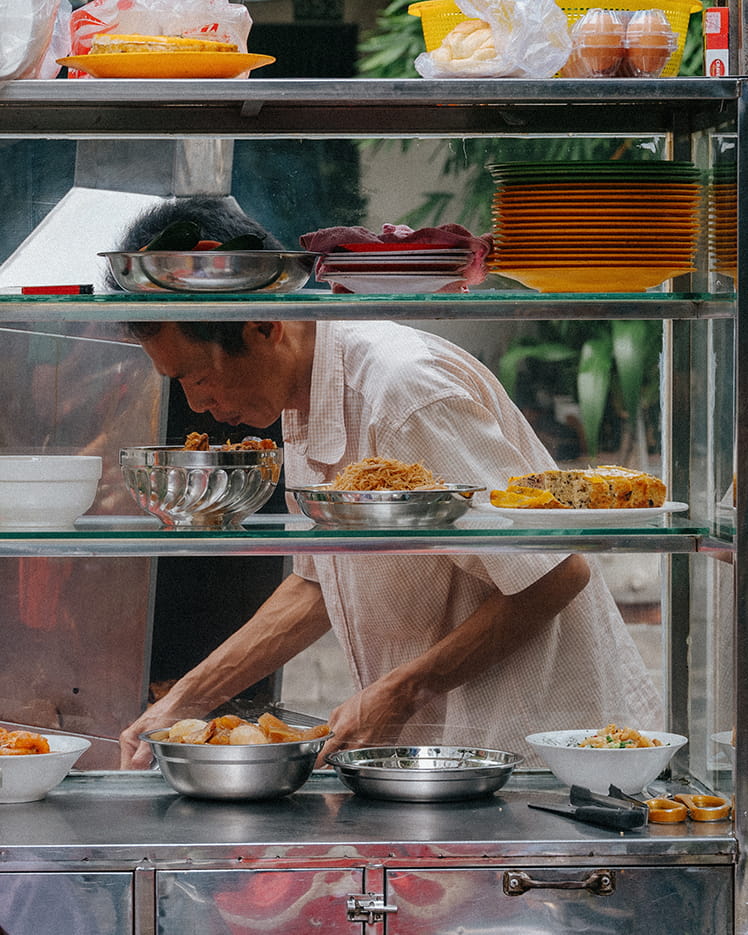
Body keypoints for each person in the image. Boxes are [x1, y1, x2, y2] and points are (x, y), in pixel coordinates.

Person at [118, 202, 663, 769]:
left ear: (264, 325)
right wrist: (185, 701)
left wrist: (402, 692)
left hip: (550, 757)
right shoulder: (301, 394)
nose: (197, 405)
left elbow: (553, 571)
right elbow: (315, 586)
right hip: (444, 760)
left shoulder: (402, 393)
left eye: (196, 377)